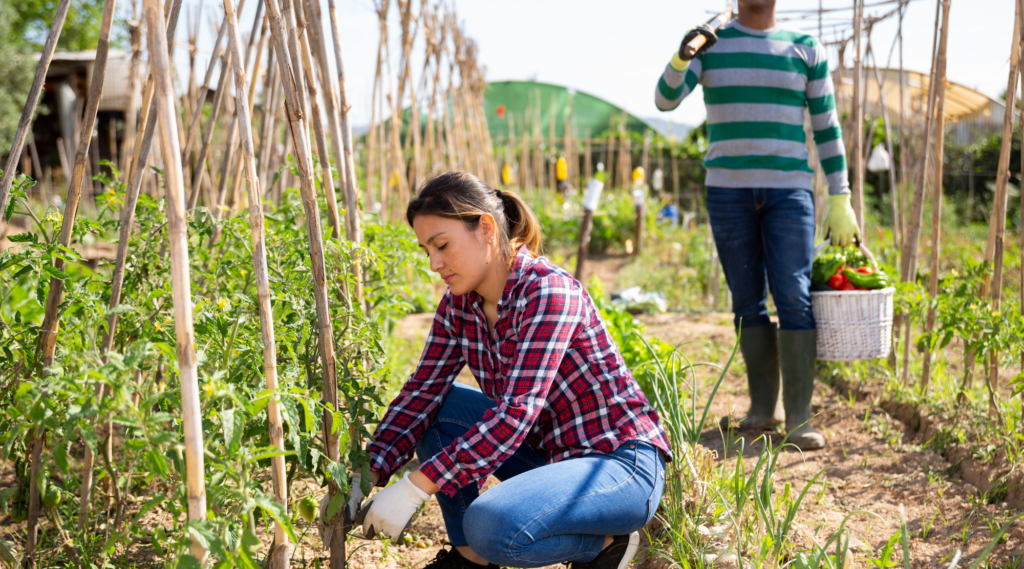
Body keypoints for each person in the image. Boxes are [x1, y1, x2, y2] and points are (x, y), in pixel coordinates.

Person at [346, 171, 671, 569]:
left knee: (492, 525)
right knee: (436, 412)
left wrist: (416, 486)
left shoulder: (547, 292)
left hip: (617, 466)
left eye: (442, 245)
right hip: (550, 460)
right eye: (426, 250)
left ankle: (608, 545)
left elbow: (517, 412)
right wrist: (367, 472)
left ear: (485, 227)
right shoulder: (459, 306)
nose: (434, 263)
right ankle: (471, 560)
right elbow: (421, 394)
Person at [653, 0, 860, 450]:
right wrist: (682, 54)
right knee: (747, 300)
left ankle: (799, 419)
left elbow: (827, 127)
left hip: (789, 192)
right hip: (728, 193)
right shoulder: (710, 45)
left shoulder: (805, 48)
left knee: (793, 295)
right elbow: (664, 101)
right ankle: (763, 409)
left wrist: (840, 194)